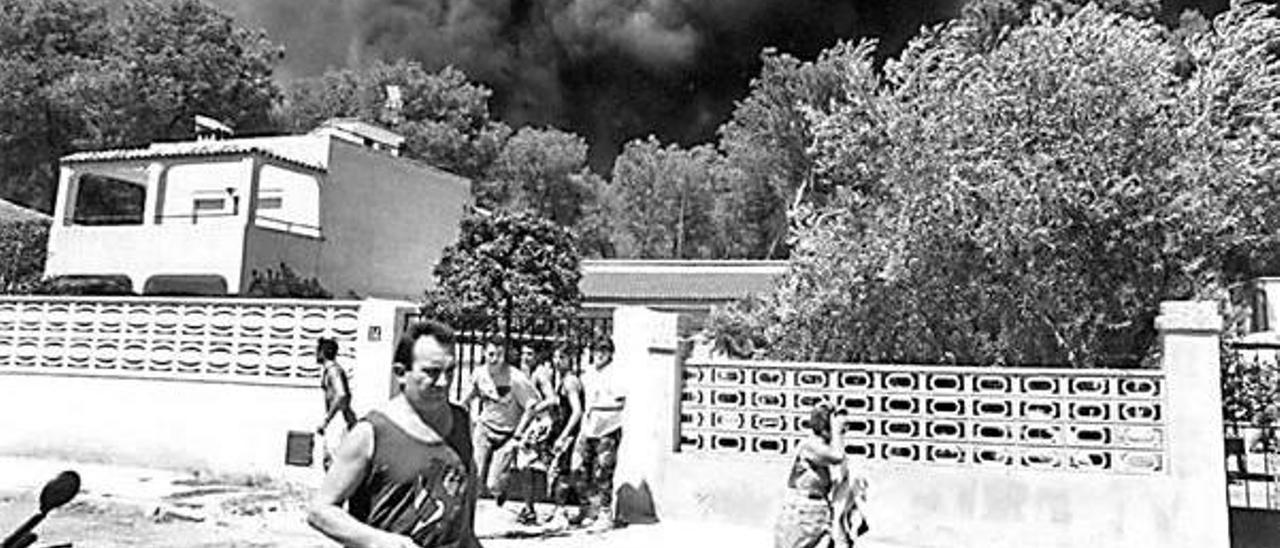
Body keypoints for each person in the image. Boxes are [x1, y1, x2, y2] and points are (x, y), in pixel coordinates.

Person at [307, 320, 481, 548]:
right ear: (401, 373)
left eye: (450, 371)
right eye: (432, 372)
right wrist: (379, 541)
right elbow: (320, 511)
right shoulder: (371, 433)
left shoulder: (461, 421)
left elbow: (463, 506)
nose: (444, 382)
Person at [774, 403, 865, 548]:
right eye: (839, 427)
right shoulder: (809, 446)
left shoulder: (826, 447)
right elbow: (837, 456)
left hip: (819, 512)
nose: (844, 431)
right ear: (825, 428)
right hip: (801, 513)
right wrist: (837, 431)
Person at [458, 341, 538, 506]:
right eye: (491, 354)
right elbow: (466, 399)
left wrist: (519, 434)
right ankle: (468, 518)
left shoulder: (515, 378)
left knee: (493, 484)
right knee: (476, 476)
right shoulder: (479, 374)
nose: (494, 359)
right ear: (484, 354)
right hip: (485, 429)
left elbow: (531, 406)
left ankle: (501, 489)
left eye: (499, 355)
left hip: (508, 434)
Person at [572, 339, 624, 530]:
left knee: (603, 471)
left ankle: (604, 513)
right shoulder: (589, 373)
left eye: (604, 351)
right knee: (580, 469)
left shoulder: (616, 373)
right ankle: (588, 509)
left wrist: (600, 408)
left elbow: (620, 402)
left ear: (610, 353)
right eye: (596, 350)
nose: (599, 354)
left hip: (608, 427)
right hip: (588, 427)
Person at [316, 338, 356, 471]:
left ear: (323, 352)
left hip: (337, 419)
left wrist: (327, 420)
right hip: (336, 418)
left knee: (335, 463)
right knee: (329, 461)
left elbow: (341, 394)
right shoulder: (330, 371)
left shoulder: (333, 371)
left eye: (318, 351)